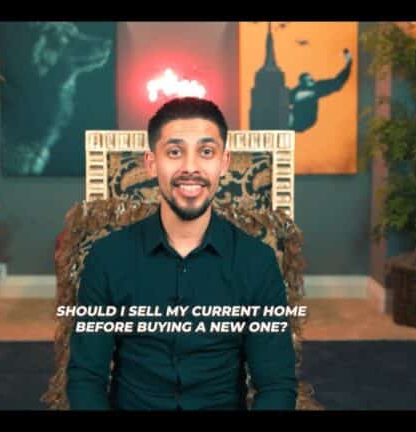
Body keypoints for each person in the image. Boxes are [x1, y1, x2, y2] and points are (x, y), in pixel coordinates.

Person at [66, 97, 297, 410]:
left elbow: (275, 384)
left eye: (206, 152)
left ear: (224, 163)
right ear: (151, 163)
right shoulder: (107, 257)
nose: (190, 168)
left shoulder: (257, 262)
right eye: (175, 152)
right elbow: (86, 378)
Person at [288, 49, 353, 132]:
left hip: (305, 120)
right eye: (308, 81)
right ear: (302, 83)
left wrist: (348, 65)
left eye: (311, 80)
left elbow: (337, 82)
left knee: (312, 92)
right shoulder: (297, 91)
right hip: (297, 117)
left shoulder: (316, 88)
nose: (311, 81)